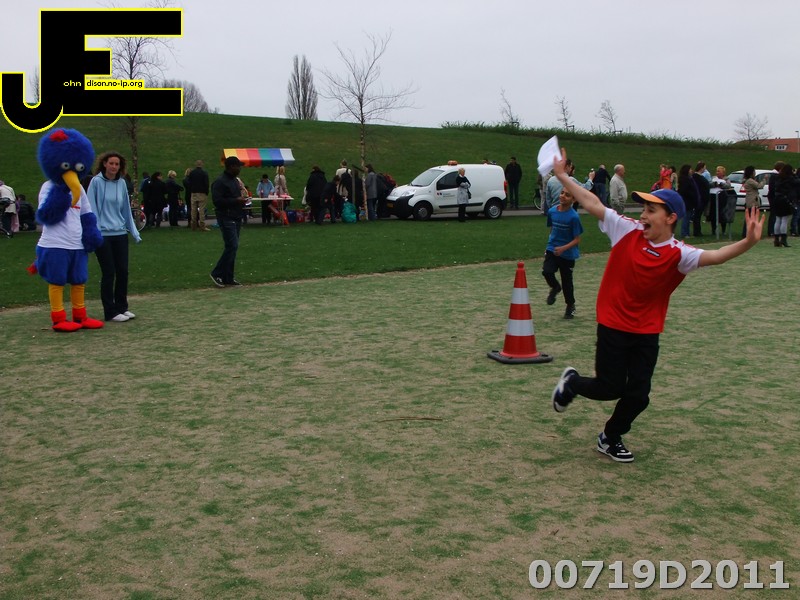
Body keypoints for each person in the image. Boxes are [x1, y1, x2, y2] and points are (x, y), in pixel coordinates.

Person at [550, 146, 765, 463]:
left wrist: (748, 242)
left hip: (646, 330)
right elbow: (592, 202)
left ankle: (610, 437)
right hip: (613, 322)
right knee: (610, 387)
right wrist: (562, 176)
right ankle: (572, 383)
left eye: (651, 210)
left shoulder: (680, 254)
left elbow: (716, 256)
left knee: (639, 396)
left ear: (671, 218)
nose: (643, 215)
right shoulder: (627, 230)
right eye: (644, 209)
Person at [86, 151, 142, 322]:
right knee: (109, 272)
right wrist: (95, 232)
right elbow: (91, 208)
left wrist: (134, 231)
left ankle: (122, 307)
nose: (114, 167)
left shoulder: (122, 183)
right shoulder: (96, 182)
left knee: (123, 271)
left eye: (117, 164)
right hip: (103, 235)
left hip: (120, 234)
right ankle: (110, 312)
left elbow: (125, 209)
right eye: (111, 163)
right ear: (104, 164)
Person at [542, 186, 583, 319]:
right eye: (562, 193)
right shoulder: (552, 211)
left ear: (573, 200)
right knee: (547, 271)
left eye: (567, 195)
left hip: (567, 254)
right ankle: (555, 287)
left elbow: (577, 239)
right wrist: (549, 245)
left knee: (567, 282)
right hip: (552, 249)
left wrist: (563, 248)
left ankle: (570, 306)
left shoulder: (574, 217)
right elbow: (552, 229)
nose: (563, 196)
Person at [210, 156, 248, 287]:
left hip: (236, 216)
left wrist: (241, 200)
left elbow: (234, 197)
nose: (240, 169)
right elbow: (217, 201)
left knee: (232, 247)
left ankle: (228, 277)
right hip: (226, 217)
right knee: (232, 245)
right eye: (238, 166)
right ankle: (217, 273)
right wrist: (236, 200)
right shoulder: (220, 182)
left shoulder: (234, 181)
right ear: (232, 167)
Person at [771, 163, 799, 247]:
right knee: (784, 220)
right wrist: (795, 174)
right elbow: (798, 182)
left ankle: (776, 239)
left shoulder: (778, 178)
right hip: (786, 200)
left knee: (778, 219)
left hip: (777, 199)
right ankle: (783, 239)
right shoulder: (791, 179)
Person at [741, 166, 766, 239]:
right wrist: (764, 180)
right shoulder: (750, 181)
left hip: (750, 200)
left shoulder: (747, 180)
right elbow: (759, 186)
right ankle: (749, 233)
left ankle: (747, 233)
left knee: (749, 217)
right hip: (753, 201)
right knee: (752, 217)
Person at [186, 160, 210, 231]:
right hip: (202, 193)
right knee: (201, 210)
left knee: (193, 210)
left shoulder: (192, 173)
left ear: (196, 164)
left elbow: (189, 183)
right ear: (202, 164)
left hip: (193, 193)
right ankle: (202, 226)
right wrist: (206, 192)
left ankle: (193, 225)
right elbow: (206, 184)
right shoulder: (204, 173)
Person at [676, 164, 699, 239]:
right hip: (687, 201)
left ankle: (687, 232)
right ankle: (684, 233)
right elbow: (684, 191)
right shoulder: (685, 180)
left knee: (688, 217)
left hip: (689, 201)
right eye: (690, 169)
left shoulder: (688, 179)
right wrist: (692, 194)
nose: (691, 171)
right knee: (686, 217)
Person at [709, 166, 732, 236]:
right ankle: (713, 230)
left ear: (723, 173)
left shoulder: (726, 179)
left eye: (719, 171)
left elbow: (728, 186)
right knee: (713, 214)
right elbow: (709, 184)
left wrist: (721, 184)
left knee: (722, 214)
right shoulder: (713, 178)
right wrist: (714, 184)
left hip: (722, 199)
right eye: (717, 171)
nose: (717, 173)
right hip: (713, 198)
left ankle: (723, 230)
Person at [691, 162, 710, 236]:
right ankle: (697, 231)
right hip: (700, 198)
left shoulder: (699, 176)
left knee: (698, 215)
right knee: (697, 215)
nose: (705, 169)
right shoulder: (696, 176)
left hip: (703, 198)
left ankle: (698, 231)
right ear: (701, 168)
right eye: (704, 167)